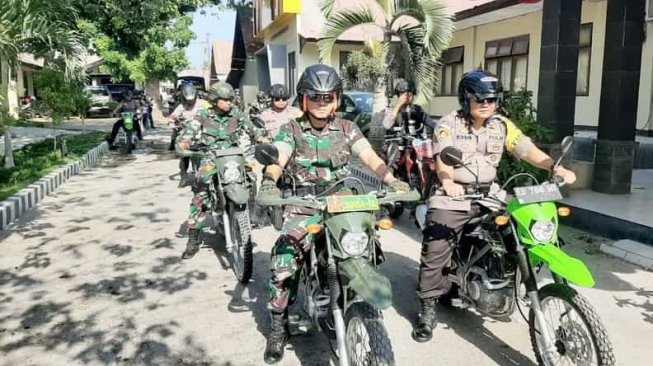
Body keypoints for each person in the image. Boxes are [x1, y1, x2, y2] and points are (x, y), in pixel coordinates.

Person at [257, 64, 409, 364]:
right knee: (285, 263)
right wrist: (269, 180)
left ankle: (354, 294)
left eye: (328, 97)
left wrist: (392, 180)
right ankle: (278, 325)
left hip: (342, 201)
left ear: (337, 99)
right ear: (304, 99)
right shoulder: (291, 129)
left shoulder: (347, 128)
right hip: (305, 204)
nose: (321, 102)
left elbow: (369, 156)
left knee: (366, 248)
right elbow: (279, 155)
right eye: (315, 96)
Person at [411, 70, 577, 343]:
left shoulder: (502, 125)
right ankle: (428, 308)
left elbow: (525, 149)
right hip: (454, 195)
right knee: (437, 245)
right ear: (466, 99)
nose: (486, 104)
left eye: (491, 99)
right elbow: (443, 158)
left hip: (491, 195)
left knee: (527, 229)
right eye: (480, 99)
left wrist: (554, 166)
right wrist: (447, 180)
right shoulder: (448, 124)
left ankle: (512, 278)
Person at [176, 81, 266, 260]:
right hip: (210, 157)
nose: (229, 103)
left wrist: (262, 138)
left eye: (231, 99)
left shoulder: (237, 114)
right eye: (225, 100)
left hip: (233, 156)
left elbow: (252, 129)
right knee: (201, 192)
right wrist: (184, 142)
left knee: (251, 178)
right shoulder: (203, 115)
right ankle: (193, 240)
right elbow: (189, 131)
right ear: (214, 100)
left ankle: (248, 216)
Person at [168, 84, 211, 187]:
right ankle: (183, 176)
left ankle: (209, 174)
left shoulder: (203, 103)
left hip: (202, 131)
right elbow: (172, 116)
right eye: (188, 100)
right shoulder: (181, 106)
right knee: (184, 155)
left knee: (209, 151)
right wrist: (171, 123)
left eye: (192, 99)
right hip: (186, 133)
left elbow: (212, 110)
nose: (190, 102)